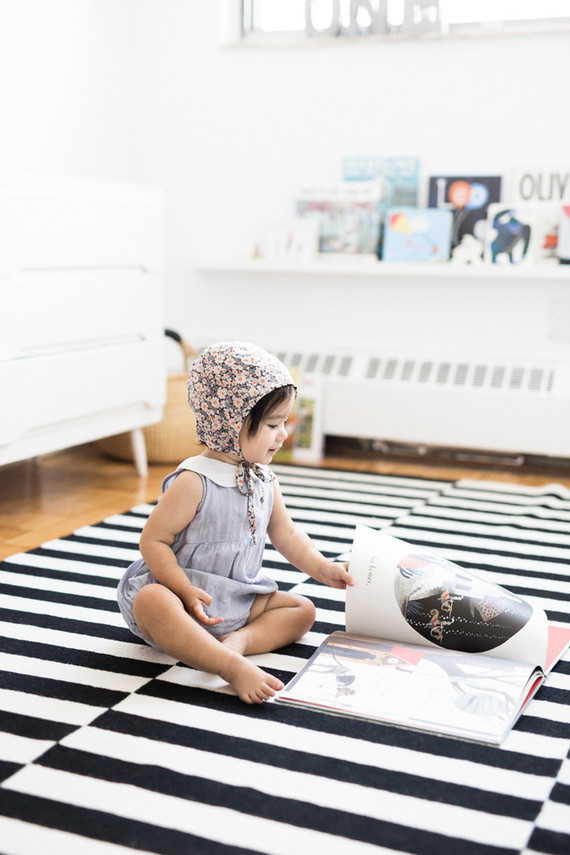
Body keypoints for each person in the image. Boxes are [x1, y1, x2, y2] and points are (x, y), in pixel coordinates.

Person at [117, 341, 354, 704]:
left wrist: (323, 569)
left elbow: (286, 533)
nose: (283, 435)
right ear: (232, 423)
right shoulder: (193, 481)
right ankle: (229, 666)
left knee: (302, 610)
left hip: (238, 598)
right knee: (150, 601)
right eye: (273, 424)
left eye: (284, 423)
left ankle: (238, 641)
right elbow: (154, 542)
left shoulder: (265, 480)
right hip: (183, 598)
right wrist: (182, 588)